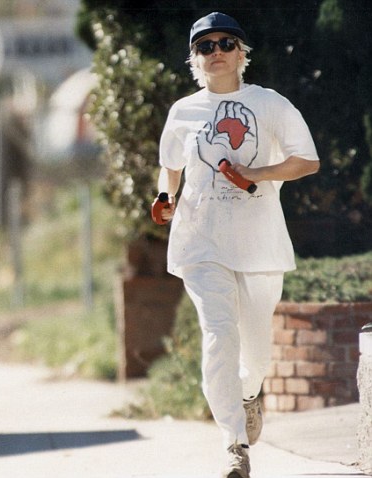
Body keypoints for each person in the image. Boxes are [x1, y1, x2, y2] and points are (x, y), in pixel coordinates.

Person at [154, 12, 319, 478]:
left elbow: (307, 161)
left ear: (242, 53)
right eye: (205, 46)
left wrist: (258, 174)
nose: (217, 52)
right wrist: (165, 198)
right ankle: (234, 444)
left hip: (259, 243)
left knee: (257, 353)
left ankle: (248, 396)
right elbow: (171, 167)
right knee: (219, 336)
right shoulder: (183, 112)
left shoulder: (269, 103)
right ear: (194, 59)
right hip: (200, 242)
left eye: (226, 43)